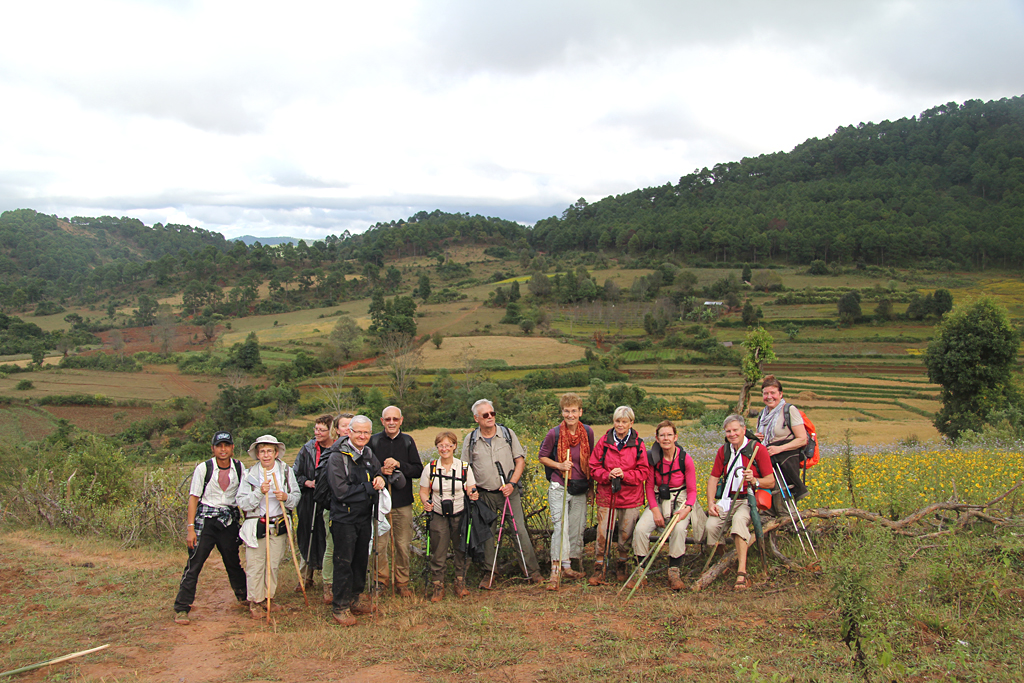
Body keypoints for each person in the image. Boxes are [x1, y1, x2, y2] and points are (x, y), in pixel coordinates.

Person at [324, 415, 403, 626]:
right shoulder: (337, 457)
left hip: (364, 516)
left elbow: (377, 473)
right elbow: (340, 491)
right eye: (358, 432)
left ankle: (355, 598)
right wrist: (370, 487)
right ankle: (340, 606)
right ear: (348, 432)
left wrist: (380, 478)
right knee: (344, 561)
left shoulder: (367, 453)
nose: (362, 436)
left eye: (366, 432)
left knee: (360, 560)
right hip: (343, 518)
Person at [462, 399, 543, 588]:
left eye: (492, 413)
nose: (490, 417)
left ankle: (532, 571)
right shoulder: (471, 439)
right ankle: (489, 573)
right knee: (487, 535)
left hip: (509, 492)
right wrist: (471, 488)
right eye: (485, 415)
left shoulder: (507, 433)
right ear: (476, 418)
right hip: (484, 495)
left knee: (519, 530)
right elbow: (465, 467)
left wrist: (512, 484)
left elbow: (520, 461)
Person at [172, 431, 248, 625]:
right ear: (213, 448)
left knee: (233, 562)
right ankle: (182, 608)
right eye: (219, 446)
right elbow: (194, 498)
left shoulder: (240, 469)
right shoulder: (204, 469)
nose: (223, 450)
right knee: (195, 563)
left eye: (227, 446)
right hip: (206, 520)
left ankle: (244, 597)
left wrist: (248, 523)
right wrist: (190, 529)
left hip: (229, 520)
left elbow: (245, 497)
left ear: (232, 448)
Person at [631, 420, 705, 591]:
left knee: (679, 529)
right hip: (658, 499)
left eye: (669, 435)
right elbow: (649, 487)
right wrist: (655, 510)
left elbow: (693, 490)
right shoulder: (653, 459)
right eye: (662, 435)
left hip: (681, 500)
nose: (666, 438)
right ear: (657, 438)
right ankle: (641, 571)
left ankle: (674, 572)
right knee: (641, 529)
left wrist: (687, 509)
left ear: (675, 437)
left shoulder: (684, 459)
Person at [706, 414, 775, 590]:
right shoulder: (724, 451)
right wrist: (711, 503)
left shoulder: (758, 449)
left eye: (735, 430)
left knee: (738, 522)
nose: (732, 434)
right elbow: (713, 478)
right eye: (728, 431)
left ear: (743, 430)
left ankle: (741, 571)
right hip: (727, 500)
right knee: (711, 526)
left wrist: (755, 480)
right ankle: (725, 561)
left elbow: (771, 481)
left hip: (747, 500)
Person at [238, 434, 301, 619]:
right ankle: (255, 601)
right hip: (256, 523)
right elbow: (243, 503)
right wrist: (259, 492)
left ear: (276, 453)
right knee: (255, 564)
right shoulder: (250, 475)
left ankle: (268, 597)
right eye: (262, 451)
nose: (266, 455)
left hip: (278, 523)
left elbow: (295, 496)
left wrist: (286, 497)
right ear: (257, 454)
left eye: (269, 451)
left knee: (272, 564)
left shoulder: (286, 472)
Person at [537, 392, 594, 590]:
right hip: (559, 484)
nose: (570, 415)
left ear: (580, 412)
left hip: (580, 486)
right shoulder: (554, 433)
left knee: (575, 528)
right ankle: (555, 569)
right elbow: (542, 457)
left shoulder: (588, 432)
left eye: (574, 411)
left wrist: (592, 489)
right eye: (566, 411)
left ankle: (567, 566)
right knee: (560, 526)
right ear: (562, 412)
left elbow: (592, 461)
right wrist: (560, 466)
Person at [589, 406, 650, 585]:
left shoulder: (638, 444)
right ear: (613, 421)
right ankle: (600, 568)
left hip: (630, 497)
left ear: (631, 423)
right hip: (607, 495)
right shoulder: (604, 442)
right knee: (603, 534)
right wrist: (607, 475)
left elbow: (643, 471)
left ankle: (622, 565)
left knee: (626, 534)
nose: (620, 425)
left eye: (624, 422)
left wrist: (625, 475)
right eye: (617, 421)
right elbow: (593, 466)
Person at [369, 406, 424, 597]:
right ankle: (380, 581)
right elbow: (366, 469)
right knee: (380, 545)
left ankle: (402, 583)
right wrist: (380, 471)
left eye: (395, 419)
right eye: (387, 419)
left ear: (401, 420)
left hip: (403, 503)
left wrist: (400, 465)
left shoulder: (408, 441)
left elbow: (418, 470)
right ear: (382, 421)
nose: (391, 422)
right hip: (380, 503)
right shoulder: (373, 441)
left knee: (402, 544)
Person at [420, 431, 479, 601]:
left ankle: (460, 582)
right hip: (438, 513)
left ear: (454, 446)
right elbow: (424, 491)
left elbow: (471, 488)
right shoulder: (430, 468)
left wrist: (473, 494)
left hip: (460, 513)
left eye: (448, 445)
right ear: (437, 447)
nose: (444, 449)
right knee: (438, 550)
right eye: (441, 445)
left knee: (461, 548)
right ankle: (438, 586)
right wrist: (426, 502)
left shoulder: (464, 467)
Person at [292, 414, 333, 593]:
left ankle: (329, 579)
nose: (317, 433)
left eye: (322, 430)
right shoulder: (307, 449)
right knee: (306, 535)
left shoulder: (337, 448)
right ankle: (305, 578)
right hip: (308, 500)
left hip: (329, 501)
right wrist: (307, 483)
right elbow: (295, 474)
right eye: (316, 429)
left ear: (331, 431)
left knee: (327, 538)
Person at [754, 375, 809, 504]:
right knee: (767, 499)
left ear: (780, 394)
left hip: (785, 461)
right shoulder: (763, 415)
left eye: (773, 393)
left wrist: (779, 449)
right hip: (767, 460)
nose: (769, 397)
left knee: (782, 499)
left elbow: (802, 439)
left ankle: (787, 521)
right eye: (765, 393)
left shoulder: (789, 410)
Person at [318, 412, 353, 604]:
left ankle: (349, 585)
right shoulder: (332, 452)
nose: (347, 429)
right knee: (332, 546)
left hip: (354, 509)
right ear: (337, 430)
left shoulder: (360, 450)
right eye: (344, 426)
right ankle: (328, 585)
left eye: (351, 425)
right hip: (334, 507)